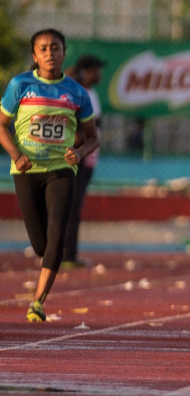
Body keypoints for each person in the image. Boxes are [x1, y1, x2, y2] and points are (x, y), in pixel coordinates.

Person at [0, 30, 99, 322]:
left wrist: (79, 154)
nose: (49, 53)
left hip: (61, 169)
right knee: (41, 245)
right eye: (42, 48)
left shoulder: (77, 92)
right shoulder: (21, 85)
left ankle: (38, 302)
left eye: (54, 48)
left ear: (63, 52)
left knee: (57, 233)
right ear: (34, 56)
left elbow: (93, 137)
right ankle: (44, 274)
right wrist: (16, 155)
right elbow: (2, 125)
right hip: (27, 169)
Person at [61, 53, 106, 268]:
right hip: (74, 158)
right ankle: (64, 253)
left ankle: (69, 252)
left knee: (74, 206)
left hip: (86, 158)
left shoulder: (90, 94)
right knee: (69, 206)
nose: (99, 74)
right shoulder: (76, 96)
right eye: (95, 70)